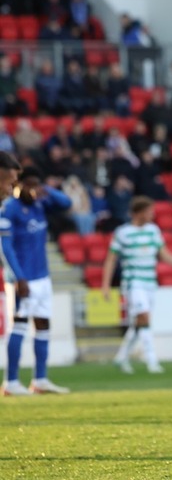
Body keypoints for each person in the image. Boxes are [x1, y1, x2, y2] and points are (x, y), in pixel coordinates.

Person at [102, 196, 172, 374]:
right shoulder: (123, 232)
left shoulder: (153, 231)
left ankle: (121, 358)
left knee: (138, 323)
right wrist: (105, 285)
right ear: (139, 213)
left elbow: (164, 254)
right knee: (144, 318)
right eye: (149, 211)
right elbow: (111, 260)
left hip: (149, 282)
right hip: (133, 282)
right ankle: (152, 360)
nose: (152, 214)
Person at [1, 166, 72, 395]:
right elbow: (5, 246)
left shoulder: (41, 202)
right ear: (17, 184)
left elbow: (67, 203)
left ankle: (39, 380)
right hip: (22, 278)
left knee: (43, 326)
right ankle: (11, 382)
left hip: (43, 276)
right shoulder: (9, 208)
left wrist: (47, 189)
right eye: (28, 184)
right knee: (19, 326)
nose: (33, 189)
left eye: (36, 184)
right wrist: (17, 277)